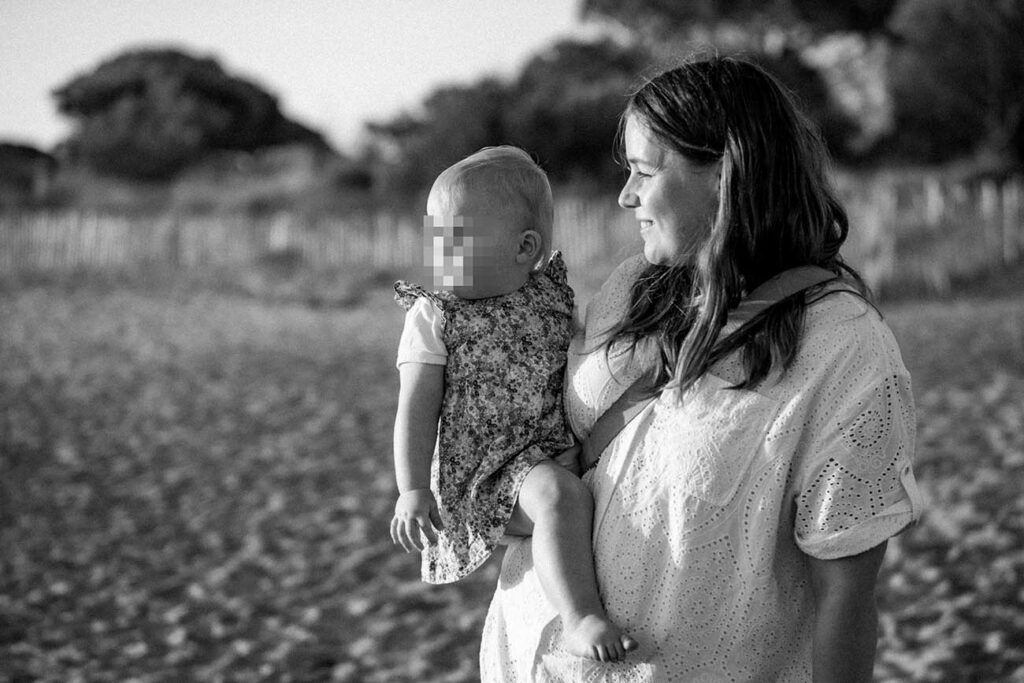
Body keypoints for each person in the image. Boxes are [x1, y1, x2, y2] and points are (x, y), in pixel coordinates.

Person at [480, 57, 924, 681]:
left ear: (725, 173)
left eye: (643, 172)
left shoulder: (844, 348)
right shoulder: (630, 287)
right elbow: (559, 457)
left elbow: (845, 595)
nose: (625, 196)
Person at [390, 146, 638, 661]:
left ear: (524, 248)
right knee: (559, 497)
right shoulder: (435, 316)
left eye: (453, 240)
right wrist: (411, 488)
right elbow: (415, 410)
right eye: (433, 237)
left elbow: (583, 364)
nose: (436, 254)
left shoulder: (550, 299)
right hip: (484, 472)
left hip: (548, 448)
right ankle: (580, 618)